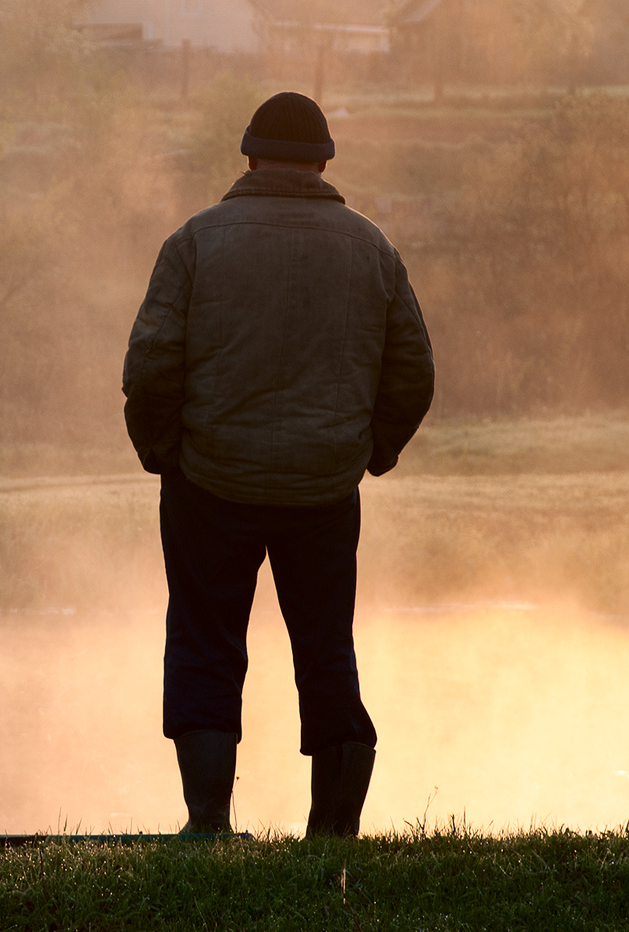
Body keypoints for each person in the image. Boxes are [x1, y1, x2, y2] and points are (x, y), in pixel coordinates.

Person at [122, 92, 434, 837]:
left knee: (205, 641)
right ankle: (333, 832)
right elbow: (413, 372)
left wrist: (165, 454)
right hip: (324, 490)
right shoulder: (372, 248)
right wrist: (369, 453)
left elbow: (151, 366)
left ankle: (207, 824)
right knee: (325, 647)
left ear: (250, 156)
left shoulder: (195, 241)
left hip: (210, 484)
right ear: (324, 162)